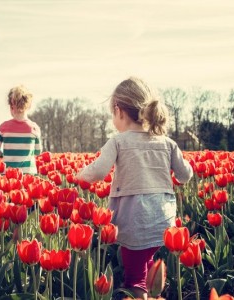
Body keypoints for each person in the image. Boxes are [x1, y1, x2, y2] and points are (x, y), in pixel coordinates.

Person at [76, 77, 193, 299]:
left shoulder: (118, 141)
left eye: (113, 114)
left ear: (119, 111)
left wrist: (80, 174)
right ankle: (152, 293)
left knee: (135, 279)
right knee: (148, 263)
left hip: (134, 220)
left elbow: (99, 171)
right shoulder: (167, 143)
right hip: (163, 222)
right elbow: (185, 175)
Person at [0, 85, 42, 175]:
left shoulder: (3, 127)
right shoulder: (34, 128)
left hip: (8, 173)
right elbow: (38, 151)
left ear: (11, 107)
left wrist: (4, 156)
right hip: (28, 173)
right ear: (29, 106)